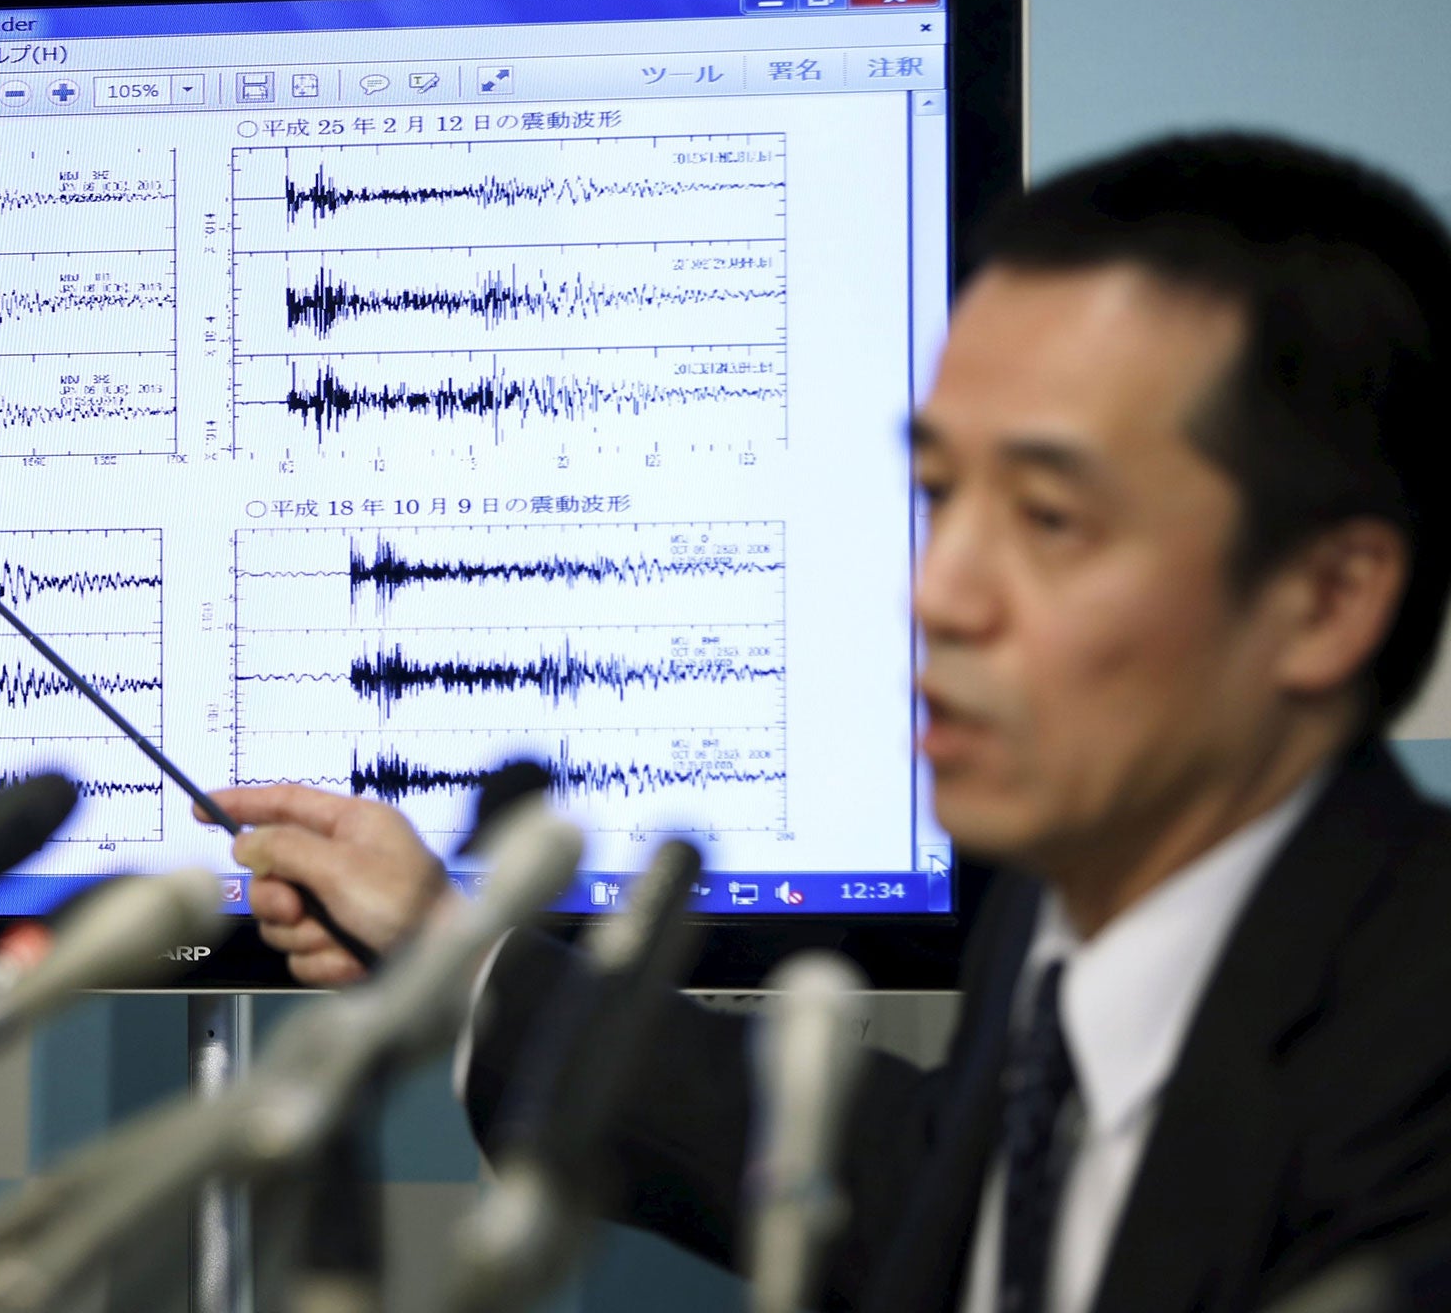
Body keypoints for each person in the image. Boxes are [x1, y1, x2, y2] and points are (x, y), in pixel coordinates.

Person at [208, 132, 1451, 1313]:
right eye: (935, 495)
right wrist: (453, 950)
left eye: (1048, 518)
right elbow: (919, 1199)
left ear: (1326, 598)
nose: (936, 593)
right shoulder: (1074, 907)